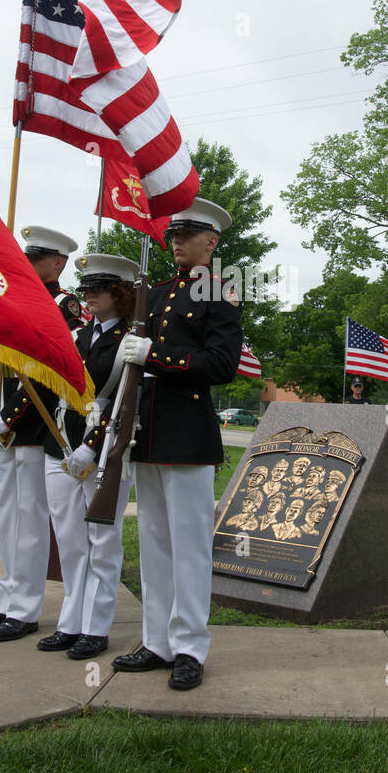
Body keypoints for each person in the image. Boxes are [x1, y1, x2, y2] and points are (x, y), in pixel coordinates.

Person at [111, 198, 243, 691]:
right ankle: (157, 640)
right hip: (149, 430)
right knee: (153, 543)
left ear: (211, 242)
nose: (176, 241)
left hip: (187, 433)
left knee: (188, 546)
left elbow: (220, 365)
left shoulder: (220, 294)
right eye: (172, 234)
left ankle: (189, 645)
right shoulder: (157, 292)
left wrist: (155, 355)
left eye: (187, 234)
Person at [0, 227, 83, 641]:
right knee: (9, 518)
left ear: (57, 263)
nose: (26, 264)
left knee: (30, 520)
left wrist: (12, 414)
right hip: (8, 421)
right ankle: (7, 600)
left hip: (36, 423)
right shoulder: (18, 299)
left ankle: (23, 611)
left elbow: (50, 368)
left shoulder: (63, 305)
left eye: (35, 259)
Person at [36, 252, 139, 659]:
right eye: (86, 289)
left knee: (103, 540)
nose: (89, 295)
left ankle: (96, 628)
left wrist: (91, 446)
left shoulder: (130, 342)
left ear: (119, 293)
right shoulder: (76, 336)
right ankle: (70, 622)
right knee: (70, 541)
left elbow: (123, 401)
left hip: (104, 451)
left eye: (99, 288)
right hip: (60, 446)